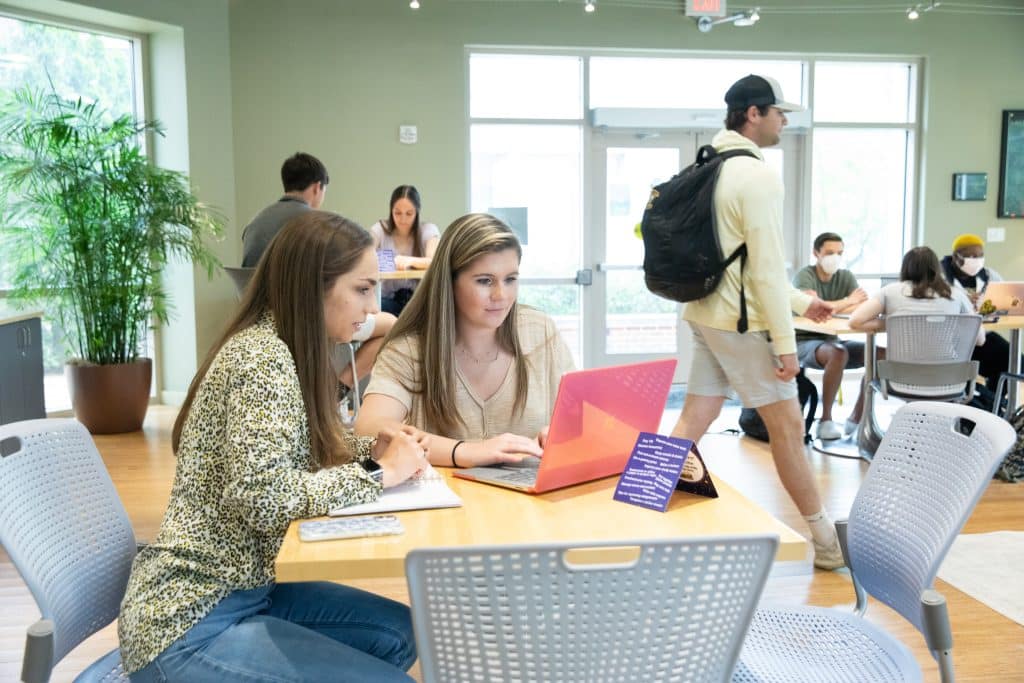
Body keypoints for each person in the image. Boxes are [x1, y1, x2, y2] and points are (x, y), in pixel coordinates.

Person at [119, 212, 428, 682]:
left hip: (248, 589)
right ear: (314, 287)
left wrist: (372, 447)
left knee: (400, 634)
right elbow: (264, 496)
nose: (374, 306)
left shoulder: (278, 347)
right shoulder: (261, 360)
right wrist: (377, 472)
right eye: (363, 289)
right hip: (188, 621)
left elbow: (292, 452)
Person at [667, 74, 842, 571]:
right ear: (753, 114)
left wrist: (801, 303)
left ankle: (635, 505)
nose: (784, 120)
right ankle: (827, 544)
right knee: (787, 428)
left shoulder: (707, 167)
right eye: (778, 112)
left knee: (692, 419)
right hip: (740, 324)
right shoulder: (759, 177)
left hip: (703, 314)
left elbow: (737, 263)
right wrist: (787, 343)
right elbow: (763, 267)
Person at [354, 213, 576, 467]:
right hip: (450, 504)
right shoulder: (409, 349)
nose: (501, 295)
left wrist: (564, 434)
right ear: (449, 281)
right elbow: (370, 431)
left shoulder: (540, 331)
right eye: (484, 281)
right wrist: (468, 452)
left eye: (510, 279)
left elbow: (584, 417)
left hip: (532, 505)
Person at [240, 152, 395, 395]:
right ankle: (339, 388)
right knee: (392, 324)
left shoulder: (255, 223)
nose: (373, 306)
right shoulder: (317, 230)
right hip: (302, 317)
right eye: (363, 289)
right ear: (317, 187)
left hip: (265, 316)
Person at [793, 232, 871, 440]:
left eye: (839, 253)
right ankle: (825, 420)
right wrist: (847, 301)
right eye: (829, 253)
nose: (834, 257)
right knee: (837, 353)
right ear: (816, 253)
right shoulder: (805, 275)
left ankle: (857, 417)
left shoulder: (845, 276)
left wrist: (833, 306)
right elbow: (813, 305)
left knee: (878, 354)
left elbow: (864, 304)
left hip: (833, 338)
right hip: (803, 341)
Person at [850, 246, 985, 349]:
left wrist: (892, 323)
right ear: (937, 269)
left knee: (869, 378)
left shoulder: (889, 291)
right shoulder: (956, 294)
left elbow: (855, 321)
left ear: (905, 268)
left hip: (900, 380)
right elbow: (980, 340)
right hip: (949, 381)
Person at [941, 233, 1021, 391]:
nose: (975, 260)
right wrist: (964, 302)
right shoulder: (940, 277)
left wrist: (987, 304)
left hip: (982, 336)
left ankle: (993, 403)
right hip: (951, 340)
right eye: (970, 256)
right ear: (956, 257)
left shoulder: (990, 275)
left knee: (1014, 362)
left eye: (979, 256)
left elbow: (1005, 302)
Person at [369, 185, 441, 317]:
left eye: (409, 213)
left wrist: (409, 260)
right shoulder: (380, 229)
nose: (403, 219)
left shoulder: (428, 230)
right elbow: (364, 257)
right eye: (397, 213)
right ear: (391, 211)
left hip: (418, 301)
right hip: (387, 299)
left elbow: (436, 262)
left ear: (417, 212)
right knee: (373, 311)